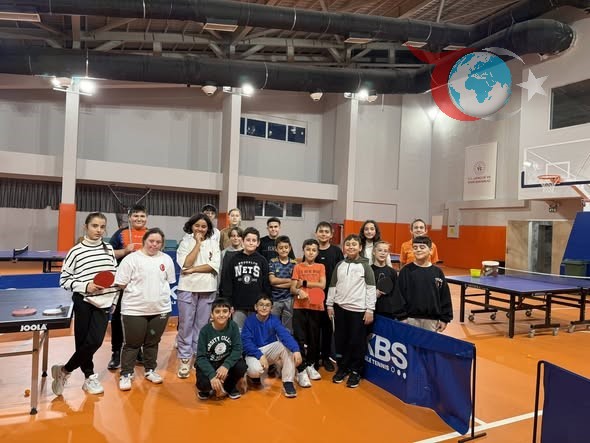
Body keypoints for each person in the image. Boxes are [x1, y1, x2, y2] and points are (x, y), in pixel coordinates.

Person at [51, 212, 119, 396]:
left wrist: (114, 299)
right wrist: (86, 286)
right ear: (86, 227)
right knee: (82, 342)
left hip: (104, 302)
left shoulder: (108, 249)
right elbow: (64, 280)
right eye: (94, 226)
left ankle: (64, 370)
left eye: (102, 227)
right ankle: (89, 377)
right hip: (83, 301)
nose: (99, 230)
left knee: (95, 341)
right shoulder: (76, 251)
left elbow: (114, 276)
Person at [114, 228, 176, 391]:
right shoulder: (131, 259)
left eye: (158, 242)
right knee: (132, 344)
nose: (154, 245)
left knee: (152, 342)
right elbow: (121, 283)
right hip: (134, 310)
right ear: (144, 241)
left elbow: (168, 281)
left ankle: (150, 370)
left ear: (162, 244)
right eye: (151, 241)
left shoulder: (166, 259)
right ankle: (126, 373)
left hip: (160, 309)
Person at [326, 234, 376, 389]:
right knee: (341, 341)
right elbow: (333, 285)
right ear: (344, 247)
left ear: (360, 247)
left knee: (357, 342)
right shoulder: (340, 265)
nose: (351, 247)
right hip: (340, 309)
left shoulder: (366, 267)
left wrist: (370, 309)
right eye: (348, 244)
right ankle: (342, 368)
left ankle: (355, 371)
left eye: (354, 244)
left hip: (358, 311)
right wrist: (329, 305)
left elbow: (371, 289)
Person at [175, 213, 221, 379]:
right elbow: (186, 263)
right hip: (187, 288)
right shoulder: (185, 242)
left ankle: (198, 355)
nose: (200, 229)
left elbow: (213, 266)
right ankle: (185, 358)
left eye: (204, 226)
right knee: (186, 325)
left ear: (208, 228)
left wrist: (194, 269)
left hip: (207, 288)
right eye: (197, 226)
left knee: (202, 325)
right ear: (191, 226)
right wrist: (198, 244)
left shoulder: (214, 243)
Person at [108, 204, 148, 370]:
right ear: (130, 218)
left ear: (146, 218)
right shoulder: (120, 234)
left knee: (140, 319)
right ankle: (116, 352)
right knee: (118, 318)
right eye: (135, 216)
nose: (139, 219)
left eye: (142, 216)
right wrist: (124, 251)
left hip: (144, 285)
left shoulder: (151, 235)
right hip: (123, 284)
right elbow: (108, 253)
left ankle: (138, 350)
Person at [241, 295, 302, 398]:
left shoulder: (274, 320)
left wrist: (296, 350)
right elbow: (246, 343)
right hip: (254, 352)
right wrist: (260, 355)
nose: (264, 308)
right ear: (256, 307)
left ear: (271, 308)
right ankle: (253, 377)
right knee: (255, 371)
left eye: (267, 305)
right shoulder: (249, 321)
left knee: (284, 346)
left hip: (269, 350)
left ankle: (288, 382)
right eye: (261, 305)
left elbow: (285, 335)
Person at [393, 236, 452, 332]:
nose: (418, 250)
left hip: (432, 321)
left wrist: (445, 318)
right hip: (410, 319)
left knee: (429, 342)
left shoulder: (438, 272)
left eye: (422, 247)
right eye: (415, 247)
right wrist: (401, 316)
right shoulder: (406, 271)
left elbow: (444, 296)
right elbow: (399, 295)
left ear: (431, 250)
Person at [195, 298, 247, 400]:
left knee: (241, 367)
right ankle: (209, 388)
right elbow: (200, 357)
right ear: (212, 314)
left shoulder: (233, 326)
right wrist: (211, 375)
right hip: (210, 363)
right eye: (217, 311)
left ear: (230, 313)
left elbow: (237, 349)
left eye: (225, 311)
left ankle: (229, 386)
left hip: (224, 362)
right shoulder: (205, 331)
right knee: (204, 384)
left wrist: (226, 365)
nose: (221, 315)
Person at [290, 239, 326, 388]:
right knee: (300, 338)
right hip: (299, 307)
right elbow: (293, 287)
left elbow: (322, 285)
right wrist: (298, 291)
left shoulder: (320, 267)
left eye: (314, 250)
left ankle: (311, 365)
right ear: (303, 250)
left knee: (314, 338)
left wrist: (303, 283)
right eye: (308, 249)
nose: (310, 252)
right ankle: (301, 369)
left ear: (317, 252)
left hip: (316, 307)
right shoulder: (298, 267)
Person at [221, 227, 271, 329]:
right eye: (248, 240)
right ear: (243, 241)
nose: (251, 243)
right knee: (238, 332)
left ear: (258, 243)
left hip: (257, 306)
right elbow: (227, 283)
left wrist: (265, 303)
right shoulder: (234, 259)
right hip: (238, 305)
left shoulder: (262, 260)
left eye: (254, 240)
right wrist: (229, 303)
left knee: (255, 332)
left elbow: (266, 284)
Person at [314, 221, 344, 372]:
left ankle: (326, 357)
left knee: (327, 328)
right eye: (321, 231)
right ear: (316, 233)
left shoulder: (336, 251)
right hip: (314, 295)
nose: (323, 234)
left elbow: (341, 273)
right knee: (313, 327)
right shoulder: (313, 249)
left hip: (330, 296)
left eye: (327, 232)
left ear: (331, 235)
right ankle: (314, 357)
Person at [268, 235, 297, 331]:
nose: (284, 250)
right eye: (280, 248)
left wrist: (278, 283)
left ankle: (286, 341)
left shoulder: (294, 264)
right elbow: (272, 281)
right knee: (273, 326)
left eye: (286, 247)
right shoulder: (273, 262)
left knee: (287, 327)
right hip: (275, 299)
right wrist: (289, 281)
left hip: (289, 299)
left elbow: (296, 284)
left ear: (290, 248)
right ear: (276, 249)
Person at [371, 241, 398, 319]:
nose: (383, 253)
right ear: (374, 252)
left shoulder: (392, 272)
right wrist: (373, 294)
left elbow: (396, 293)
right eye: (380, 250)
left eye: (385, 251)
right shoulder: (369, 270)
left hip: (388, 311)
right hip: (372, 310)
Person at [218, 226, 243, 294]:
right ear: (229, 238)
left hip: (241, 288)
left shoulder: (245, 253)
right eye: (233, 236)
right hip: (226, 289)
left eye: (238, 236)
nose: (236, 238)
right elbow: (220, 271)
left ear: (242, 238)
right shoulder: (223, 253)